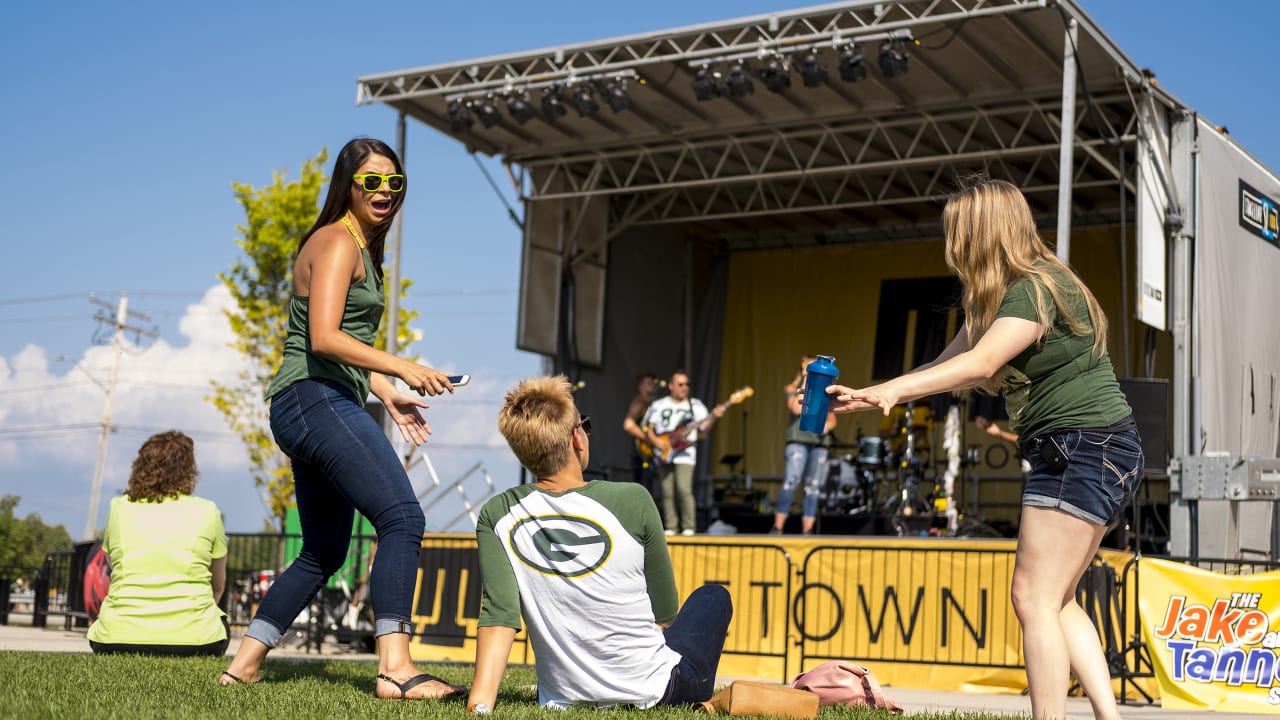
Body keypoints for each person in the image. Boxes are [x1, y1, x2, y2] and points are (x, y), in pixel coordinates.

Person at [826, 178, 1143, 720]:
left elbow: (981, 366)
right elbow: (943, 369)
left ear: (981, 231)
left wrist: (892, 391)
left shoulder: (1035, 286)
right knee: (1058, 597)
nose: (951, 241)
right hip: (1089, 448)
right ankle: (1108, 718)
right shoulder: (1000, 298)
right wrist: (874, 394)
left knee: (1033, 598)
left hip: (1083, 446)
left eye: (957, 229)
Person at [220, 138, 464, 701]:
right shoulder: (335, 241)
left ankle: (244, 665)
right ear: (348, 186)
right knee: (402, 517)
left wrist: (385, 390)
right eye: (371, 181)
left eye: (393, 183)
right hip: (315, 400)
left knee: (324, 551)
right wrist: (402, 366)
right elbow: (324, 337)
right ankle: (395, 669)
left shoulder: (361, 248)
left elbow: (339, 344)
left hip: (315, 401)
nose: (383, 192)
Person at [467, 375, 733, 712]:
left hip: (564, 697)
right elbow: (665, 610)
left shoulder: (496, 513)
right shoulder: (633, 498)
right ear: (577, 437)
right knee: (713, 597)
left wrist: (479, 705)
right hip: (658, 690)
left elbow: (499, 614)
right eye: (585, 425)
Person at [87, 431, 229, 656]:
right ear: (189, 470)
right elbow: (218, 585)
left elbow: (115, 567)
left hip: (116, 637)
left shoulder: (118, 507)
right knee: (218, 623)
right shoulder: (208, 511)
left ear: (140, 466)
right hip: (197, 638)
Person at [641, 370, 726, 535]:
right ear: (671, 386)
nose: (684, 387)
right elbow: (647, 427)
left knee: (683, 488)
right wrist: (656, 441)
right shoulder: (659, 404)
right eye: (680, 384)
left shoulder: (695, 405)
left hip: (685, 453)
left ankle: (689, 527)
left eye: (687, 384)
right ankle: (671, 526)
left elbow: (704, 428)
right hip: (663, 451)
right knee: (666, 490)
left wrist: (714, 417)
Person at [771, 355, 836, 535]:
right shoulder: (793, 388)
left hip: (818, 443)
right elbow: (796, 408)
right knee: (791, 480)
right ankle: (778, 526)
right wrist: (807, 379)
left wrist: (828, 426)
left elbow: (832, 418)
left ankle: (808, 529)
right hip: (798, 441)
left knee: (813, 485)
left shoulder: (826, 390)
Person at [622, 371, 661, 490]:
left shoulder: (655, 404)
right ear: (641, 387)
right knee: (642, 487)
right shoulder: (639, 403)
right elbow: (628, 424)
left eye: (654, 384)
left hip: (651, 453)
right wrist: (649, 439)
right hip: (640, 454)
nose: (653, 386)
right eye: (649, 383)